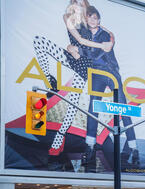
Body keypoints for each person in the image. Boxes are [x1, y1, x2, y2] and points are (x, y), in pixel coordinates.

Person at [33, 0, 114, 157]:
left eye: (81, 2)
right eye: (75, 1)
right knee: (39, 41)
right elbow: (80, 40)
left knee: (73, 102)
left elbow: (109, 35)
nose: (77, 4)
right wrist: (74, 47)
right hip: (72, 58)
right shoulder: (67, 17)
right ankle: (50, 81)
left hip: (85, 63)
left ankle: (59, 138)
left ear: (85, 4)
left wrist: (110, 42)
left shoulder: (89, 19)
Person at [70, 5, 139, 171]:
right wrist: (71, 49)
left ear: (99, 19)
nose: (93, 20)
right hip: (95, 75)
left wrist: (79, 50)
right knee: (93, 108)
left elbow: (97, 53)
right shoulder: (86, 35)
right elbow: (81, 50)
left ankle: (134, 147)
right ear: (87, 20)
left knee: (124, 109)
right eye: (90, 18)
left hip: (110, 73)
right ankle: (90, 146)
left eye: (95, 17)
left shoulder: (106, 35)